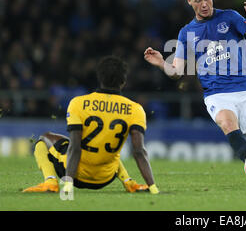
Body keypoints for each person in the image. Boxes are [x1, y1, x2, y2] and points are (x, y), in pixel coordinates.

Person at [144, 0, 246, 187]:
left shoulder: (230, 16)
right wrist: (161, 63)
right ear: (189, 1)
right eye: (198, 0)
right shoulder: (186, 33)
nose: (204, 4)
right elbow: (177, 72)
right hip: (216, 93)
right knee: (228, 123)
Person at [23, 56, 159, 195]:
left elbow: (75, 148)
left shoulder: (78, 103)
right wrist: (153, 187)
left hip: (76, 175)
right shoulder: (135, 109)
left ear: (99, 78)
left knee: (44, 139)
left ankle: (50, 183)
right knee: (107, 146)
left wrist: (68, 183)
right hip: (106, 177)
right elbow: (138, 151)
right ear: (123, 82)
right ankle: (129, 183)